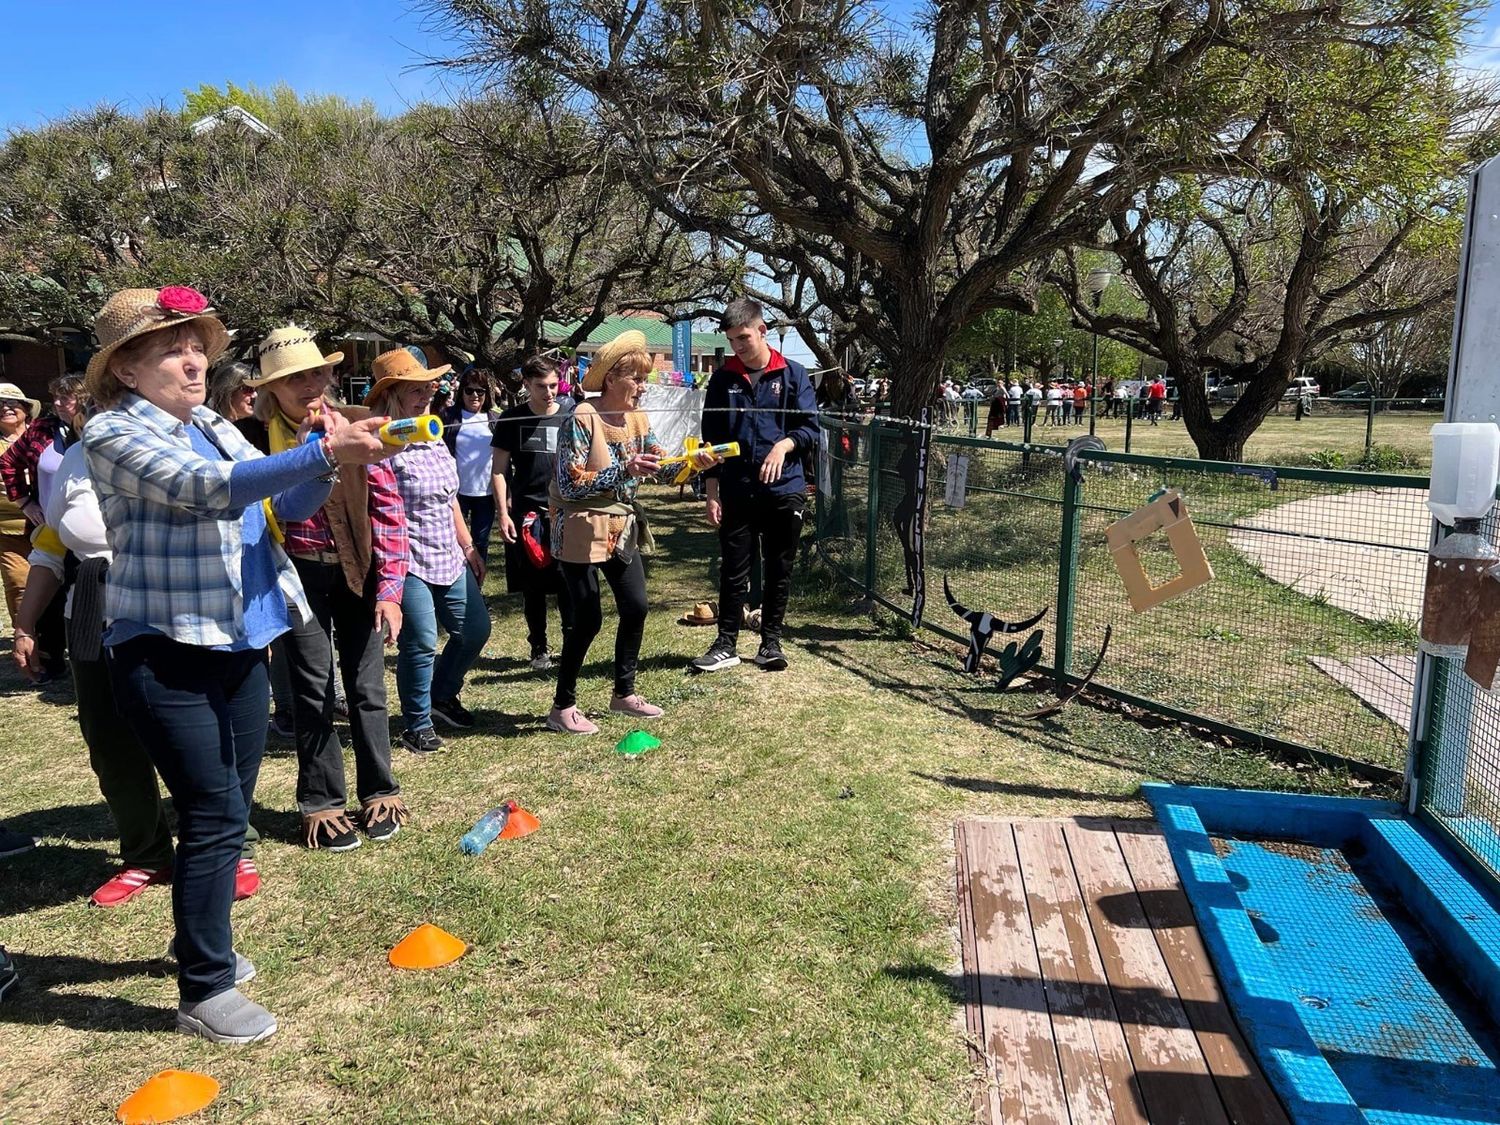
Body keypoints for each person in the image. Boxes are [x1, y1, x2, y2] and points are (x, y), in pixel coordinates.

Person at [81, 286, 394, 1043]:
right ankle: (204, 988)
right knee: (216, 812)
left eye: (197, 347)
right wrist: (322, 449)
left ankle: (201, 942)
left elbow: (282, 500)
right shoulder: (111, 432)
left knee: (226, 808)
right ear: (124, 370)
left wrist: (332, 461)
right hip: (164, 650)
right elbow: (207, 493)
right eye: (171, 350)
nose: (194, 361)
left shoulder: (215, 422)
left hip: (243, 640)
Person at [246, 326, 411, 852]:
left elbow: (388, 510)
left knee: (367, 686)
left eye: (317, 372)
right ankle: (322, 801)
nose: (310, 384)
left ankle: (380, 791)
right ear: (270, 389)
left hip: (356, 571)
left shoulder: (360, 428)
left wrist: (390, 589)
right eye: (295, 377)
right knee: (312, 687)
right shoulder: (247, 440)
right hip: (293, 576)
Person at [546, 330, 717, 734]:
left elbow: (664, 467)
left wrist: (696, 463)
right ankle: (561, 707)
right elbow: (570, 484)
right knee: (586, 620)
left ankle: (623, 693)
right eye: (636, 379)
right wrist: (623, 469)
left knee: (636, 606)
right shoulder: (581, 418)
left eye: (644, 379)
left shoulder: (639, 419)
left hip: (621, 528)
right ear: (610, 379)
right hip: (579, 530)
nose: (643, 388)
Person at [368, 351, 490, 751]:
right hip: (406, 558)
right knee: (419, 640)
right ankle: (416, 722)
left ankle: (441, 694)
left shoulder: (433, 434)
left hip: (447, 552)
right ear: (392, 394)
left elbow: (449, 497)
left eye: (428, 388)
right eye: (414, 390)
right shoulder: (381, 443)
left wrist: (468, 544)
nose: (425, 396)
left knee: (474, 630)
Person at [693, 298, 817, 674]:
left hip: (784, 491)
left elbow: (811, 428)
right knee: (733, 568)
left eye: (743, 338)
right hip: (737, 490)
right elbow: (710, 440)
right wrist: (711, 491)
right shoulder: (722, 379)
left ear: (762, 331)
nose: (738, 347)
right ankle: (725, 643)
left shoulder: (794, 375)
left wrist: (785, 443)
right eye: (732, 340)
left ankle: (771, 643)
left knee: (780, 567)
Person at [493, 356, 574, 671]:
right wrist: (502, 513)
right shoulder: (511, 419)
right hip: (528, 515)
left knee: (569, 582)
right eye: (541, 386)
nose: (550, 392)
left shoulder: (571, 415)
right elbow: (499, 470)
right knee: (534, 586)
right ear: (526, 385)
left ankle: (572, 643)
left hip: (566, 512)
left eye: (554, 385)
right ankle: (538, 648)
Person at [443, 368, 502, 561]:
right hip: (456, 492)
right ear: (462, 392)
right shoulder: (449, 417)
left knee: (481, 542)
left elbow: (503, 460)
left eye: (480, 391)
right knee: (454, 539)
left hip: (485, 493)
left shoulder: (494, 419)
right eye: (469, 390)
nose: (475, 395)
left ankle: (477, 586)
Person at [0, 382, 40, 637]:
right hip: (7, 528)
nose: (6, 407)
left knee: (54, 584)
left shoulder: (42, 437)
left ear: (26, 408)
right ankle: (28, 640)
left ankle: (52, 642)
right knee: (19, 583)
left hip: (47, 524)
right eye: (0, 404)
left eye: (12, 402)